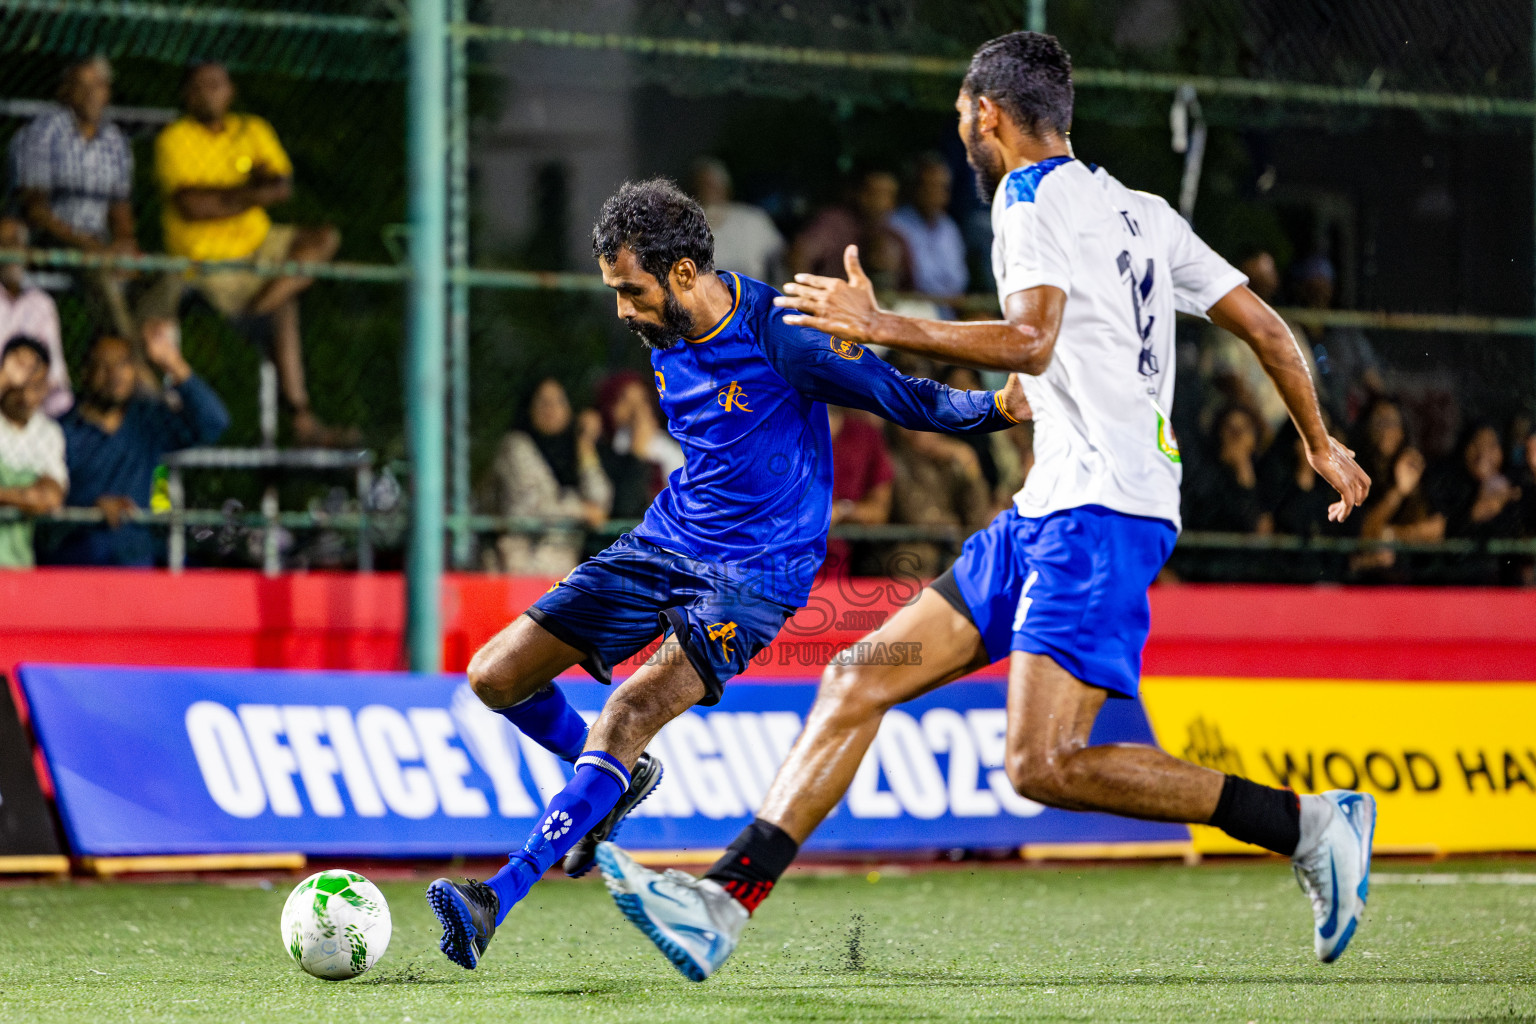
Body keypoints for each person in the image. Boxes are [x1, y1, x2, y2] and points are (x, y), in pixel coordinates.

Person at [598, 32, 1375, 981]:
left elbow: (1032, 340)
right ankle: (725, 898)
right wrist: (1318, 439)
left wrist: (883, 325)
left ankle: (1308, 824)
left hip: (1102, 513)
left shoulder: (1024, 197)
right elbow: (1263, 325)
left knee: (1042, 764)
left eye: (963, 115)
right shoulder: (1143, 213)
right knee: (857, 678)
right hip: (1052, 506)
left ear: (989, 117)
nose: (961, 132)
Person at [422, 178, 1029, 971]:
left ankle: (495, 896)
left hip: (760, 574)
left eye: (630, 290)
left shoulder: (783, 333)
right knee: (494, 676)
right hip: (664, 542)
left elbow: (897, 395)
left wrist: (1000, 410)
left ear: (681, 273)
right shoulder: (664, 332)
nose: (621, 310)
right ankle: (610, 777)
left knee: (632, 704)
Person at [144, 62, 348, 446]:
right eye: (200, 85)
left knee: (323, 238)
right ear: (187, 95)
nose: (209, 92)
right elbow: (190, 206)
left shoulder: (252, 128)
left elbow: (282, 186)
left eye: (217, 84)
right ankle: (301, 415)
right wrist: (251, 192)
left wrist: (220, 197)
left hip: (261, 243)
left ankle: (260, 305)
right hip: (206, 258)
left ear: (231, 91)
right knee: (284, 306)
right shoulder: (175, 138)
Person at [43, 321, 229, 566]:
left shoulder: (148, 422)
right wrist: (90, 509)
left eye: (123, 364)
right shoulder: (56, 432)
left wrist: (172, 363)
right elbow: (44, 513)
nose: (115, 374)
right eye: (104, 365)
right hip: (75, 564)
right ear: (85, 373)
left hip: (137, 563)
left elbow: (214, 423)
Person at [6, 57, 139, 346]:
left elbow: (120, 208)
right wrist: (88, 245)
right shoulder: (41, 133)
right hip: (49, 239)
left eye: (100, 85)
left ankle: (124, 357)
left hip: (98, 243)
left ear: (108, 92)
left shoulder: (116, 141)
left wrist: (125, 243)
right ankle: (132, 359)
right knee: (97, 269)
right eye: (83, 85)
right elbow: (35, 210)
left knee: (162, 279)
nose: (93, 93)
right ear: (64, 91)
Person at [480, 377, 611, 575]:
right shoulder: (515, 446)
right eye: (543, 402)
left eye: (559, 401)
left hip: (560, 577)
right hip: (516, 573)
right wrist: (580, 510)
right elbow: (531, 505)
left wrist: (585, 446)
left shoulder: (573, 451)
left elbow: (600, 501)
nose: (551, 409)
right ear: (529, 408)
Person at [0, 337, 67, 568]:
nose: (26, 396)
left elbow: (48, 498)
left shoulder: (48, 433)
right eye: (19, 384)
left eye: (36, 386)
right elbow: (33, 498)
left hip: (17, 566)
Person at [789, 169, 913, 292]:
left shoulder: (894, 237)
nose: (880, 202)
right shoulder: (833, 224)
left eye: (887, 195)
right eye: (873, 193)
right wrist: (810, 296)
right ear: (857, 193)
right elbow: (799, 256)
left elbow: (909, 286)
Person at [0, 218, 71, 415]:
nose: (9, 251)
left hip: (35, 408)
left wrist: (33, 390)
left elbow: (57, 374)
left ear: (28, 252)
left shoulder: (42, 303)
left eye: (16, 242)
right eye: (3, 243)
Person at [822, 405, 893, 578]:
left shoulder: (866, 435)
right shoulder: (783, 430)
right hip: (787, 554)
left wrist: (843, 510)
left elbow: (879, 512)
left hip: (847, 561)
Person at [889, 153, 970, 302]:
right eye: (930, 186)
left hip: (951, 311)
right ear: (915, 187)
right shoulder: (896, 224)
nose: (936, 194)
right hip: (914, 309)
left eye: (942, 187)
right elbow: (917, 282)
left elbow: (959, 281)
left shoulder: (949, 227)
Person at [690, 158, 783, 283]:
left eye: (713, 185)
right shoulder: (685, 227)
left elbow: (778, 258)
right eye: (703, 185)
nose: (708, 191)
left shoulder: (753, 219)